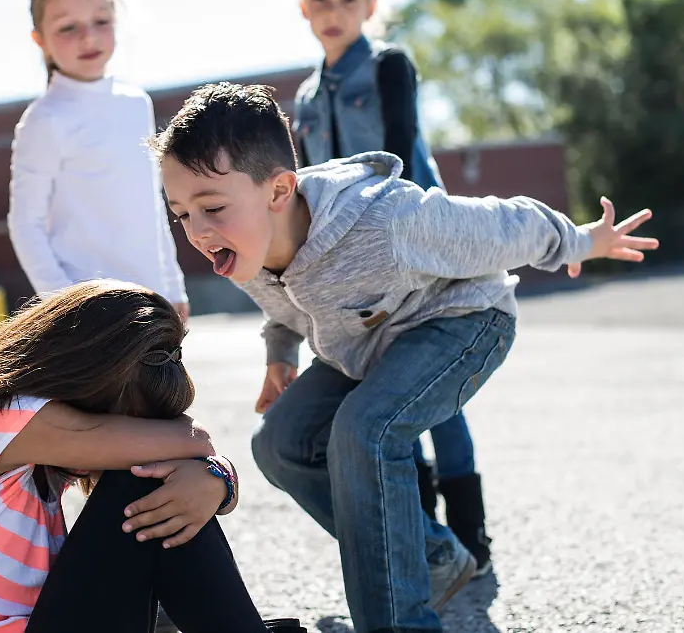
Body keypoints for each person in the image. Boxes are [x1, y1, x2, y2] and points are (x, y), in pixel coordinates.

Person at [155, 82, 658, 633]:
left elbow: (504, 224)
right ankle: (433, 559)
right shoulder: (243, 244)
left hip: (463, 321)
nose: (197, 231)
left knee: (365, 430)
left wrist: (582, 241)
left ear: (278, 190)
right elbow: (286, 304)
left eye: (212, 207)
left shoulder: (386, 220)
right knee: (278, 443)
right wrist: (280, 356)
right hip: (366, 345)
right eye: (181, 214)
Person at [0, 280, 306, 633]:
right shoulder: (7, 416)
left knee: (161, 485)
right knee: (146, 480)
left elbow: (193, 454)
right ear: (91, 379)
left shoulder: (13, 425)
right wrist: (213, 473)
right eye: (129, 423)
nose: (132, 437)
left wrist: (215, 480)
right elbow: (194, 441)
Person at [291, 0, 488, 570]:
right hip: (352, 266)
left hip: (418, 248)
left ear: (370, 7)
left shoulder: (388, 66)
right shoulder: (304, 97)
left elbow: (401, 151)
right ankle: (428, 543)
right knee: (387, 394)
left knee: (438, 396)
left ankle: (472, 537)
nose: (334, 11)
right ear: (304, 8)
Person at [8, 0, 189, 321]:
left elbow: (151, 205)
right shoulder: (44, 119)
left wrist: (173, 285)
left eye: (101, 21)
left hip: (153, 299)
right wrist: (64, 305)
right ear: (39, 39)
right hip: (90, 310)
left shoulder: (136, 103)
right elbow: (25, 224)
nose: (88, 37)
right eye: (68, 27)